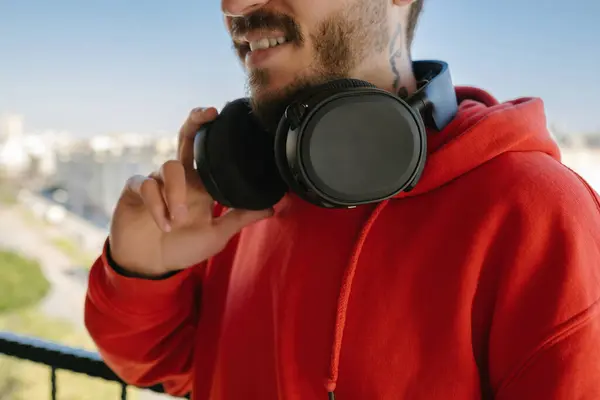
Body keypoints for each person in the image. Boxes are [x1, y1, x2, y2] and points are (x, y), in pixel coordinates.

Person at [84, 0, 600, 399]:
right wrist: (139, 274)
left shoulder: (535, 213)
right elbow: (161, 363)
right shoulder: (247, 188)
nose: (232, 6)